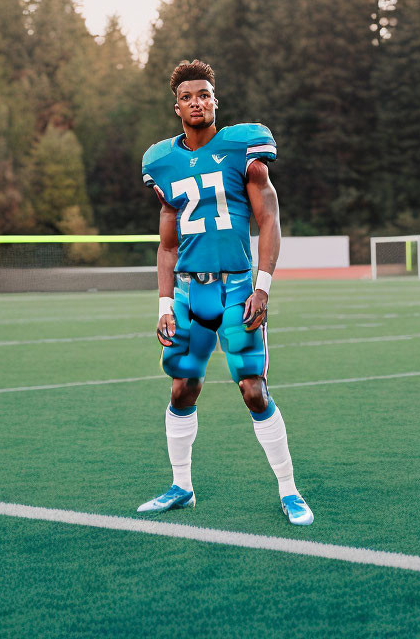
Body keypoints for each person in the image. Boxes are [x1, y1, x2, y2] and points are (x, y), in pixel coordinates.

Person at [137, 59, 313, 526]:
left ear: (216, 100)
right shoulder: (162, 162)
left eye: (205, 95)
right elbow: (167, 244)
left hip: (237, 286)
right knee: (182, 388)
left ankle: (290, 491)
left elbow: (269, 220)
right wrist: (163, 304)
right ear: (176, 107)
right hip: (190, 294)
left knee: (253, 389)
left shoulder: (243, 148)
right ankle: (181, 486)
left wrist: (263, 285)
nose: (197, 102)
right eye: (188, 97)